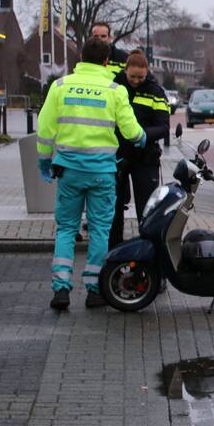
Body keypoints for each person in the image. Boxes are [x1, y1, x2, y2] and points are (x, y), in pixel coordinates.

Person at [37, 36, 145, 311]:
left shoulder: (60, 86)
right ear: (107, 61)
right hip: (102, 173)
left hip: (69, 171)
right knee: (99, 231)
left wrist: (43, 160)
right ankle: (95, 290)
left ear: (80, 58)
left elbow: (45, 127)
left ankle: (61, 289)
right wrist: (142, 137)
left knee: (66, 230)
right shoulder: (114, 89)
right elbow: (131, 130)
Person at [109, 50, 170, 248]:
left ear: (147, 73)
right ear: (125, 70)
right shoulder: (114, 86)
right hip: (116, 155)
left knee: (147, 208)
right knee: (114, 207)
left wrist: (144, 136)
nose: (136, 81)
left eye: (140, 77)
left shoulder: (155, 91)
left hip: (145, 157)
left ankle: (148, 248)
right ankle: (114, 249)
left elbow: (164, 126)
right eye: (132, 76)